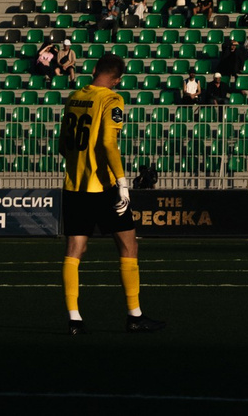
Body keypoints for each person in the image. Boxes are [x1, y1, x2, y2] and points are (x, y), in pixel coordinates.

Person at [59, 53, 159, 334]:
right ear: (117, 80)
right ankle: (135, 316)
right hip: (102, 186)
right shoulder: (112, 99)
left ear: (94, 70)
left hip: (74, 186)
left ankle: (74, 319)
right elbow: (108, 143)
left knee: (74, 251)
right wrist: (122, 183)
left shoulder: (74, 97)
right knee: (128, 246)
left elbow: (62, 145)